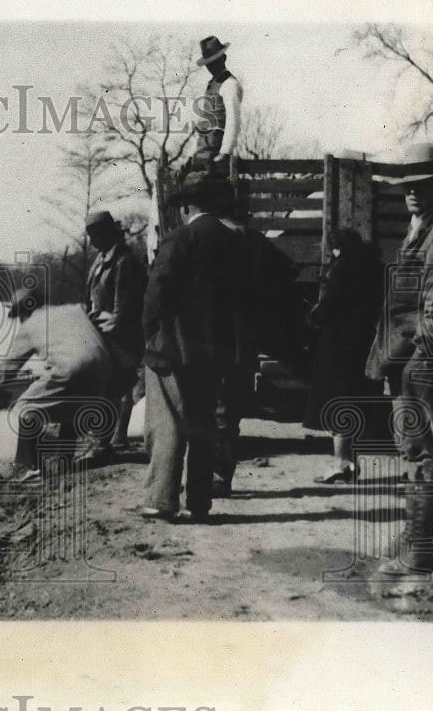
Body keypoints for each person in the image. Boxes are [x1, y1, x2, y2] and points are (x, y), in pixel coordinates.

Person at [365, 143, 433, 575]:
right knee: (411, 448)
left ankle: (421, 545)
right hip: (404, 356)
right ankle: (413, 536)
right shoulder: (421, 225)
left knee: (425, 451)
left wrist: (423, 348)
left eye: (421, 186)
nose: (411, 193)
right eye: (407, 186)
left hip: (423, 358)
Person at [140, 171, 255, 522]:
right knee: (204, 425)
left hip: (176, 347)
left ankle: (162, 498)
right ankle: (200, 502)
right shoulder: (237, 242)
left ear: (186, 206)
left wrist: (149, 335)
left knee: (169, 422)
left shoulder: (179, 239)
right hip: (217, 349)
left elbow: (156, 296)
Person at [0, 288, 113, 480]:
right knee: (72, 409)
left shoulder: (29, 326)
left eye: (19, 315)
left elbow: (7, 366)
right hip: (103, 365)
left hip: (72, 367)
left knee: (24, 408)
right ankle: (64, 462)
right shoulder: (74, 308)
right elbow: (103, 318)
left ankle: (35, 467)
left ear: (24, 312)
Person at [213, 194, 303, 496]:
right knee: (228, 411)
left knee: (208, 408)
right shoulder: (255, 241)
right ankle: (221, 475)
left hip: (210, 336)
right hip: (245, 339)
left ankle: (208, 476)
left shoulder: (209, 240)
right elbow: (289, 273)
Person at [304, 228, 385, 483]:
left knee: (337, 401)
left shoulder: (343, 267)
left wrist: (313, 314)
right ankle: (350, 462)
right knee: (354, 399)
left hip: (338, 343)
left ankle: (341, 462)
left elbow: (329, 307)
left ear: (337, 248)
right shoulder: (376, 268)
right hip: (364, 341)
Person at [79, 210, 147, 463]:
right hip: (100, 336)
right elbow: (90, 300)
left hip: (119, 340)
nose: (92, 240)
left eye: (95, 234)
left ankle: (102, 445)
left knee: (110, 390)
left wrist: (103, 330)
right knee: (101, 390)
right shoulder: (100, 259)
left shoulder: (124, 261)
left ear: (108, 233)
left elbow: (124, 310)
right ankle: (100, 441)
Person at [187, 35, 243, 177]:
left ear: (223, 59)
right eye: (208, 64)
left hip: (216, 151)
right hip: (203, 148)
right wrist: (190, 155)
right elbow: (204, 124)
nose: (211, 67)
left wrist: (225, 152)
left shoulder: (230, 84)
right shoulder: (211, 85)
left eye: (215, 62)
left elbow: (233, 121)